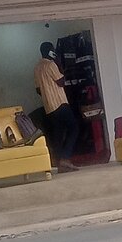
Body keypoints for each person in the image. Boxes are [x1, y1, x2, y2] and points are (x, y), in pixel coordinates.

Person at [34, 42, 79, 172]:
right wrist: (58, 62)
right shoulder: (50, 64)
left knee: (57, 134)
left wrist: (47, 91)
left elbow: (38, 90)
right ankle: (65, 158)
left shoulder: (37, 68)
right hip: (60, 103)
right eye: (53, 50)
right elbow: (61, 82)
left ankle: (60, 163)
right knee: (74, 128)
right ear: (50, 51)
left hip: (49, 106)